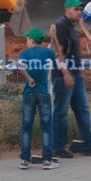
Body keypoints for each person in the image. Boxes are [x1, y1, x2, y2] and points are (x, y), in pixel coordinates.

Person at [50, 0, 91, 158]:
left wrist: (88, 55)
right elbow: (57, 53)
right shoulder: (60, 26)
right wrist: (66, 73)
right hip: (62, 77)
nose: (79, 12)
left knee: (82, 109)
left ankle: (88, 142)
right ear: (67, 9)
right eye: (76, 9)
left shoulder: (70, 27)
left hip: (75, 75)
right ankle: (57, 147)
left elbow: (71, 52)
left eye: (80, 10)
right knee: (61, 111)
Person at [18, 27, 59, 170]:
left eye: (27, 39)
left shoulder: (25, 53)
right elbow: (56, 53)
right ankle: (47, 161)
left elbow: (20, 66)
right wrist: (53, 37)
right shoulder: (47, 52)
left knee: (26, 127)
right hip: (44, 93)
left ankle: (24, 160)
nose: (26, 41)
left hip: (28, 93)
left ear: (31, 40)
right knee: (46, 127)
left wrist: (29, 79)